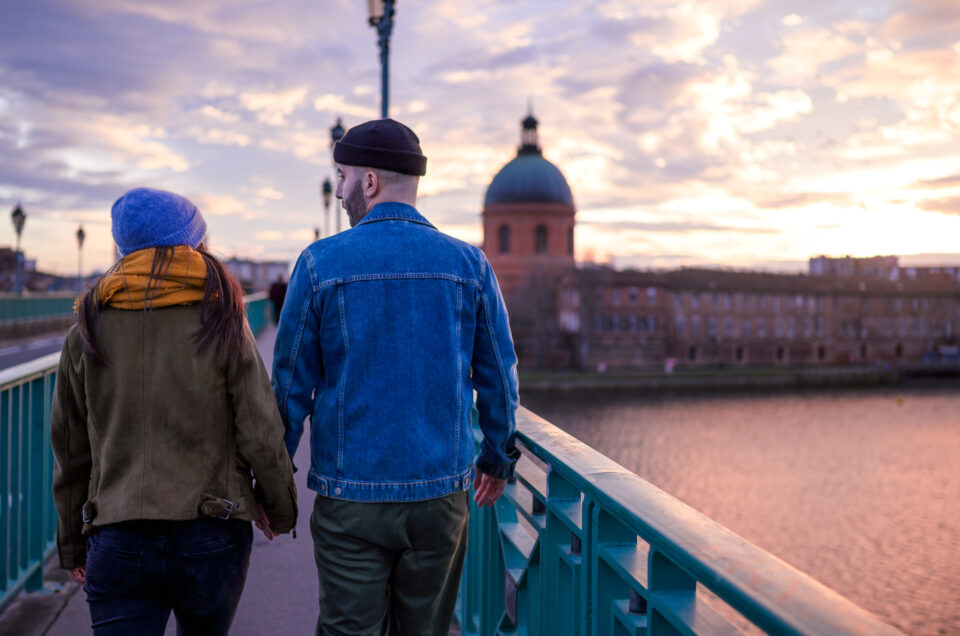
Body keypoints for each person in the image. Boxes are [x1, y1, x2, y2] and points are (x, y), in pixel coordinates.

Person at [272, 119, 520, 636]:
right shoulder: (469, 265)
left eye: (342, 177)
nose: (338, 190)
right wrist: (496, 457)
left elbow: (289, 388)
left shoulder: (320, 264)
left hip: (351, 494)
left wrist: (273, 485)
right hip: (441, 495)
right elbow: (498, 375)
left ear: (368, 182)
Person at [51, 187, 298, 636]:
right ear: (193, 244)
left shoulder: (85, 328)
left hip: (118, 531)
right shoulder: (222, 318)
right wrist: (279, 508)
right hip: (212, 532)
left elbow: (70, 450)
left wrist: (71, 544)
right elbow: (261, 431)